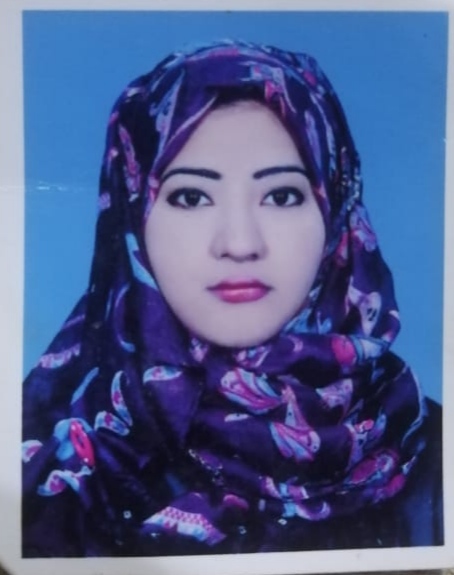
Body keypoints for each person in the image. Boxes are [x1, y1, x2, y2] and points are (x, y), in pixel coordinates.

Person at [21, 39, 443, 557]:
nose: (240, 243)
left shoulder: (432, 451)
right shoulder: (49, 463)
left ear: (336, 215)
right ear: (132, 217)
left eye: (281, 195)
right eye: (191, 197)